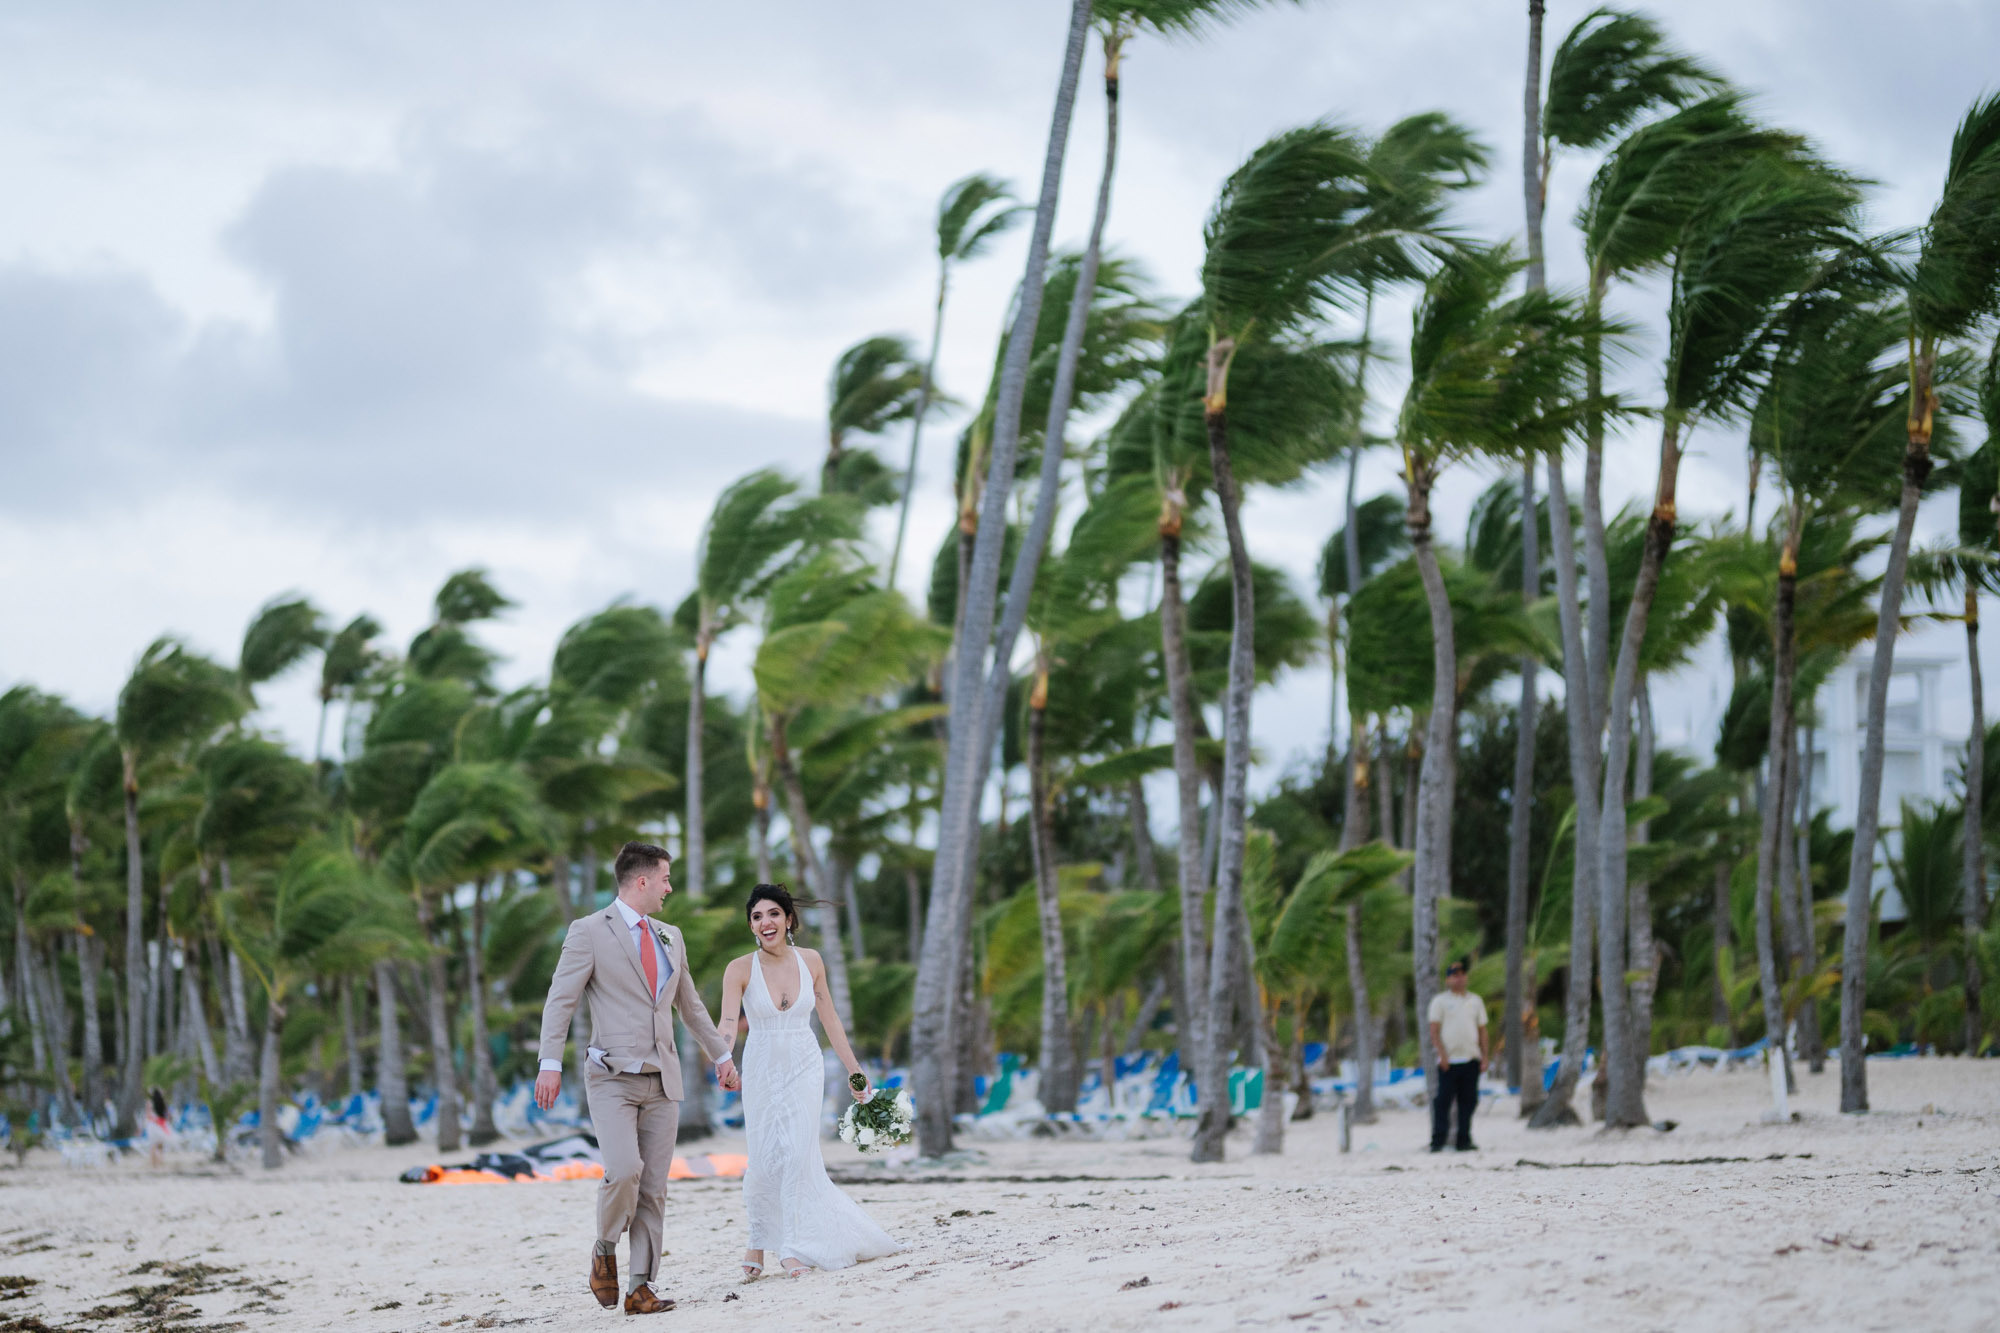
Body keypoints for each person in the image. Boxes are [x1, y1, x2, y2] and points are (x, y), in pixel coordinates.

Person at [533, 841, 741, 1316]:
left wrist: (722, 1057)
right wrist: (549, 1063)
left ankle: (640, 1287)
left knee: (654, 1188)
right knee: (625, 1170)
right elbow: (560, 1000)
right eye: (665, 879)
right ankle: (604, 1250)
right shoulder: (588, 931)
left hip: (663, 1081)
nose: (670, 888)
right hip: (611, 1078)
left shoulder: (671, 935)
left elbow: (690, 1006)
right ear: (642, 881)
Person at [717, 884, 900, 1281]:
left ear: (788, 919)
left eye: (772, 914)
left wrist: (855, 1070)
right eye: (756, 916)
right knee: (764, 1155)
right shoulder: (739, 969)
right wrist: (723, 1058)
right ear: (751, 925)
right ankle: (757, 1241)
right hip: (763, 1065)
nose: (765, 923)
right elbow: (729, 1023)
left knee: (799, 1153)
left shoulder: (812, 961)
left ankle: (792, 1247)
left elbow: (830, 1018)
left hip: (804, 1063)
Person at [1427, 960, 1488, 1153]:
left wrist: (1484, 1056)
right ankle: (1438, 1141)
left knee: (1468, 1102)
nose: (1459, 978)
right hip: (1449, 1061)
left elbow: (1482, 1030)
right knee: (1442, 1102)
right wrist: (1442, 1055)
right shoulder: (1440, 1002)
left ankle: (1464, 1140)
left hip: (1471, 1059)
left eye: (1462, 974)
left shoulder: (1475, 1001)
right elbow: (1434, 1031)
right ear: (1447, 979)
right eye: (1454, 975)